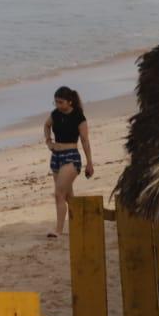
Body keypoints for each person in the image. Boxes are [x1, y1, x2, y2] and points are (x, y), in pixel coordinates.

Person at [44, 85, 94, 238]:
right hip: (56, 157)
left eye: (61, 102)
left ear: (70, 101)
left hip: (71, 157)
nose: (58, 105)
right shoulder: (55, 114)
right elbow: (46, 125)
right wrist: (48, 141)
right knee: (68, 197)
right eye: (56, 102)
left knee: (59, 194)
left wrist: (89, 163)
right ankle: (81, 223)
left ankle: (58, 231)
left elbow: (85, 140)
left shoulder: (79, 116)